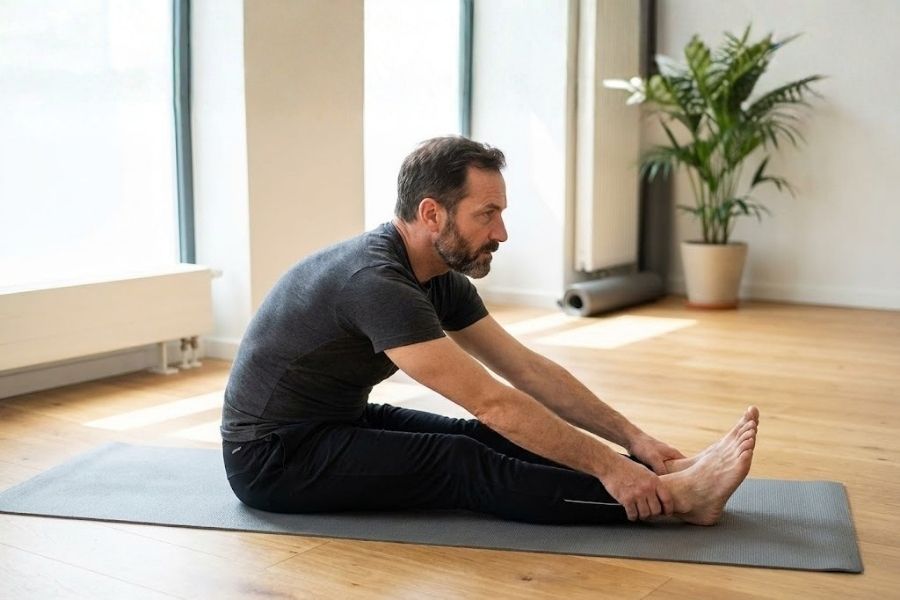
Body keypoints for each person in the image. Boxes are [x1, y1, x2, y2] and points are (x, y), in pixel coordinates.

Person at [221, 136, 759, 525]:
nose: (501, 232)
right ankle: (677, 502)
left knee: (482, 438)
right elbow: (492, 401)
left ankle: (662, 482)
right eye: (487, 214)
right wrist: (611, 473)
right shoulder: (377, 282)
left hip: (335, 423)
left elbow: (525, 369)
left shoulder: (433, 274)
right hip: (272, 458)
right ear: (432, 214)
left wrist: (635, 444)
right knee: (463, 462)